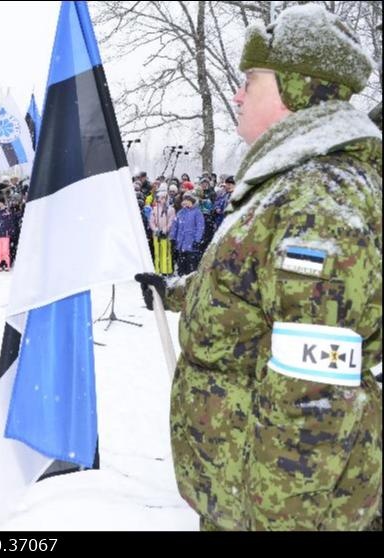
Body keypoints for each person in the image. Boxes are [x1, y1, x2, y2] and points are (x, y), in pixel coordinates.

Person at [135, 4, 382, 531]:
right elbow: (258, 290)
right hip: (244, 496)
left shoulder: (316, 199)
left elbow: (314, 392)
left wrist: (278, 519)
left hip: (277, 509)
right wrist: (179, 291)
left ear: (296, 87)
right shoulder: (291, 185)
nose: (238, 93)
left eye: (251, 79)